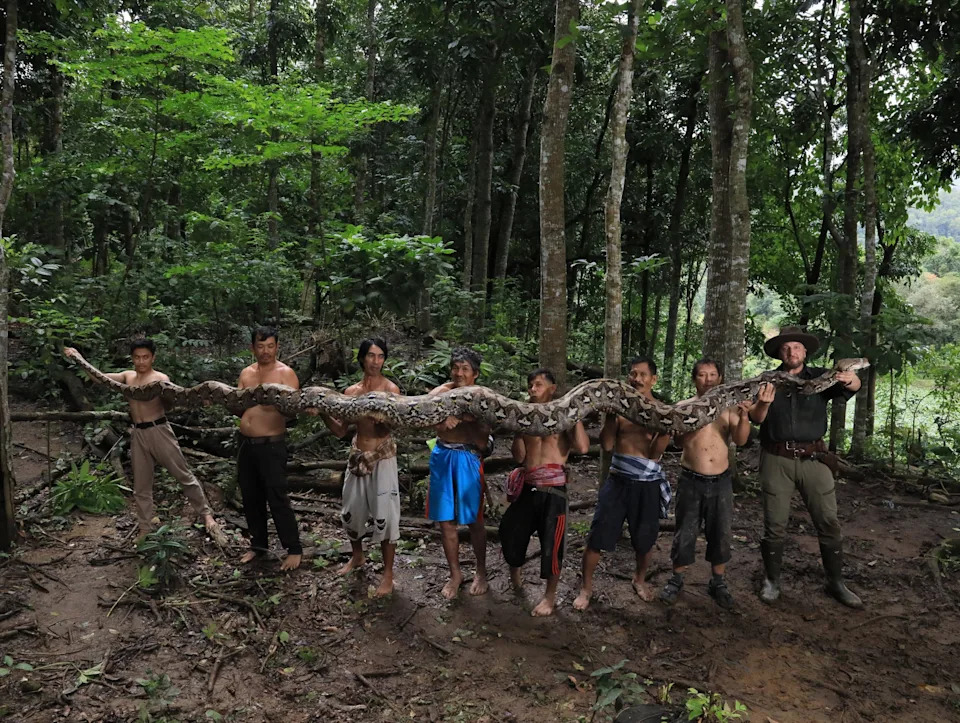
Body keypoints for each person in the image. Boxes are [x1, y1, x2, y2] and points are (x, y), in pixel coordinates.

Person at [65, 341, 225, 544]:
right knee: (141, 485)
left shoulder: (161, 379)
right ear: (132, 358)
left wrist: (201, 399)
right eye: (137, 357)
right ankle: (145, 528)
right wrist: (79, 358)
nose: (141, 361)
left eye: (145, 357)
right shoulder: (127, 377)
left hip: (159, 430)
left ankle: (207, 516)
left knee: (183, 474)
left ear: (153, 357)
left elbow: (176, 400)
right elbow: (99, 378)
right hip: (138, 434)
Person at [749, 326, 863, 608]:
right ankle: (772, 581)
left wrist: (851, 378)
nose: (792, 352)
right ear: (780, 353)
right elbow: (756, 419)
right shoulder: (766, 380)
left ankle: (836, 582)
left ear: (805, 352)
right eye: (786, 348)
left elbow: (853, 388)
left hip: (814, 458)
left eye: (797, 347)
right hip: (776, 458)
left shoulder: (822, 377)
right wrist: (763, 403)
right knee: (774, 524)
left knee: (828, 521)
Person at [658, 359, 774, 609]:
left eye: (712, 375)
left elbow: (740, 441)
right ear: (694, 379)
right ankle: (676, 579)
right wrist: (695, 419)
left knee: (720, 532)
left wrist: (744, 416)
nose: (708, 380)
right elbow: (679, 443)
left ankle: (718, 582)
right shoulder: (683, 406)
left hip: (721, 481)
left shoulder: (730, 407)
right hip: (691, 479)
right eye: (702, 375)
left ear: (720, 379)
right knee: (685, 531)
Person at [573, 357, 671, 611]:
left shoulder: (662, 411)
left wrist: (665, 431)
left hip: (647, 484)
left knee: (645, 539)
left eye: (642, 374)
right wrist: (610, 417)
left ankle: (639, 579)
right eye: (632, 374)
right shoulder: (619, 408)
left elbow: (654, 454)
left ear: (653, 379)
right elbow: (607, 445)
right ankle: (586, 588)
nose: (636, 379)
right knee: (598, 536)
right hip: (618, 481)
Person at [499, 369, 590, 616]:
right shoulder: (525, 415)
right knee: (510, 531)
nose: (532, 389)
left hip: (554, 491)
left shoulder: (564, 415)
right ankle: (516, 578)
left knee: (553, 544)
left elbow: (583, 447)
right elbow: (519, 457)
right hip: (528, 487)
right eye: (530, 385)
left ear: (553, 388)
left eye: (538, 384)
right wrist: (519, 428)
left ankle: (549, 598)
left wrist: (575, 415)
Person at [320, 338, 401, 597]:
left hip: (382, 458)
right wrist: (322, 411)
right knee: (350, 510)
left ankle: (388, 575)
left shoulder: (391, 389)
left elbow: (391, 429)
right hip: (357, 456)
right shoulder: (351, 393)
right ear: (362, 358)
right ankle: (357, 556)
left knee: (386, 515)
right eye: (371, 356)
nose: (376, 361)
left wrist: (382, 421)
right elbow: (340, 431)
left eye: (380, 356)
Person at [427, 346, 492, 600]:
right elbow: (423, 416)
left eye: (465, 368)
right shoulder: (440, 393)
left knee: (474, 520)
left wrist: (466, 419)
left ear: (475, 373)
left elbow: (483, 441)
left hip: (468, 457)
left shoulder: (483, 397)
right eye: (455, 367)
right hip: (442, 455)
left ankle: (481, 571)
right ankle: (455, 574)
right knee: (446, 521)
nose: (459, 373)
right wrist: (441, 421)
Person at [236, 326, 303, 571]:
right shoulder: (246, 373)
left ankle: (293, 548)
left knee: (277, 497)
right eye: (261, 346)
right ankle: (258, 546)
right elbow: (238, 407)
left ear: (277, 347)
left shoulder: (286, 374)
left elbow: (294, 412)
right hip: (245, 444)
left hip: (271, 445)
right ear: (252, 347)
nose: (266, 351)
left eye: (270, 346)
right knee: (250, 496)